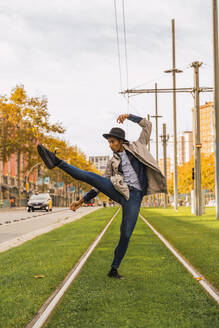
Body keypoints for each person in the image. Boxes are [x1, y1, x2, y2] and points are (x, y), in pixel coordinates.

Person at [37, 113, 167, 279]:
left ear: (121, 141)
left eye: (112, 142)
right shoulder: (112, 162)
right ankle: (56, 161)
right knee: (93, 176)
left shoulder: (138, 145)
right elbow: (98, 185)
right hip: (119, 190)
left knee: (126, 234)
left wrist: (129, 116)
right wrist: (82, 201)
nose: (110, 145)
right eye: (109, 142)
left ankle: (114, 269)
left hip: (134, 197)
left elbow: (147, 125)